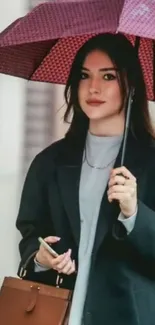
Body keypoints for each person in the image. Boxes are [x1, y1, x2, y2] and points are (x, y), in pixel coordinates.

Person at [16, 33, 155, 325]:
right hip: (55, 315)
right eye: (84, 75)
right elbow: (30, 232)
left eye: (108, 77)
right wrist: (41, 257)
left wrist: (134, 213)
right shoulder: (50, 162)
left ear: (130, 87)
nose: (93, 87)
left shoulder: (150, 161)